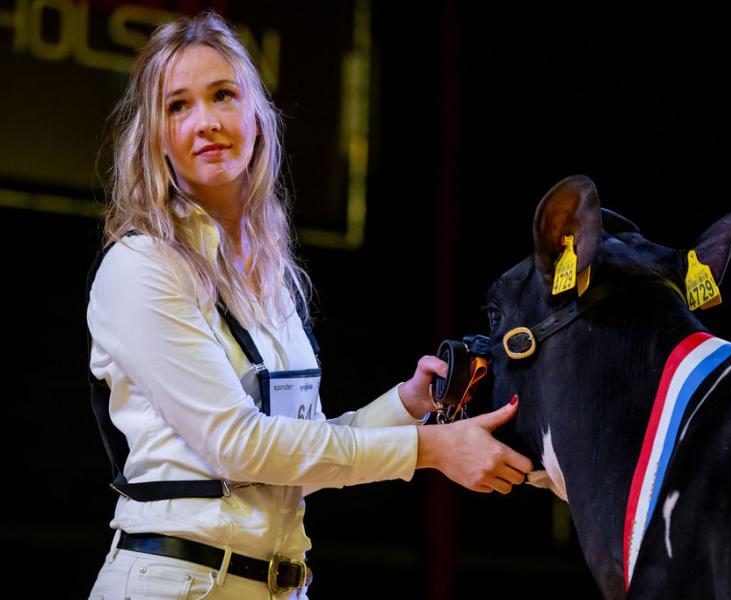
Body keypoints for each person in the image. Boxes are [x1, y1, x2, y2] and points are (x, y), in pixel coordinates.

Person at [86, 11, 532, 599]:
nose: (206, 123)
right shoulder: (141, 267)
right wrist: (429, 451)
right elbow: (240, 445)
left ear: (257, 115)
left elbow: (298, 453)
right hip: (176, 581)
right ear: (155, 136)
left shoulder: (267, 273)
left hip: (276, 585)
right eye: (178, 106)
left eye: (223, 95)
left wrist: (405, 406)